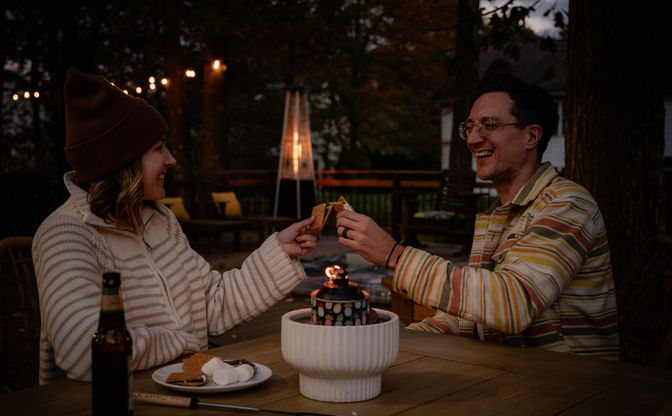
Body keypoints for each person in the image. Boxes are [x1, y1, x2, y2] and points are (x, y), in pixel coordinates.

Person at [32, 68, 317, 384]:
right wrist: (183, 340)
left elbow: (211, 306)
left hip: (183, 392)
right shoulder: (65, 234)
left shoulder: (159, 221)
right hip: (98, 412)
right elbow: (84, 350)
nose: (171, 159)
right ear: (121, 162)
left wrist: (280, 251)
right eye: (158, 148)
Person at [336, 73, 619, 359]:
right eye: (469, 127)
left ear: (531, 136)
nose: (472, 139)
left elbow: (514, 305)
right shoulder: (497, 215)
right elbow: (473, 318)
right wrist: (388, 334)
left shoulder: (568, 204)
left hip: (572, 386)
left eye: (489, 125)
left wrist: (394, 255)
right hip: (513, 374)